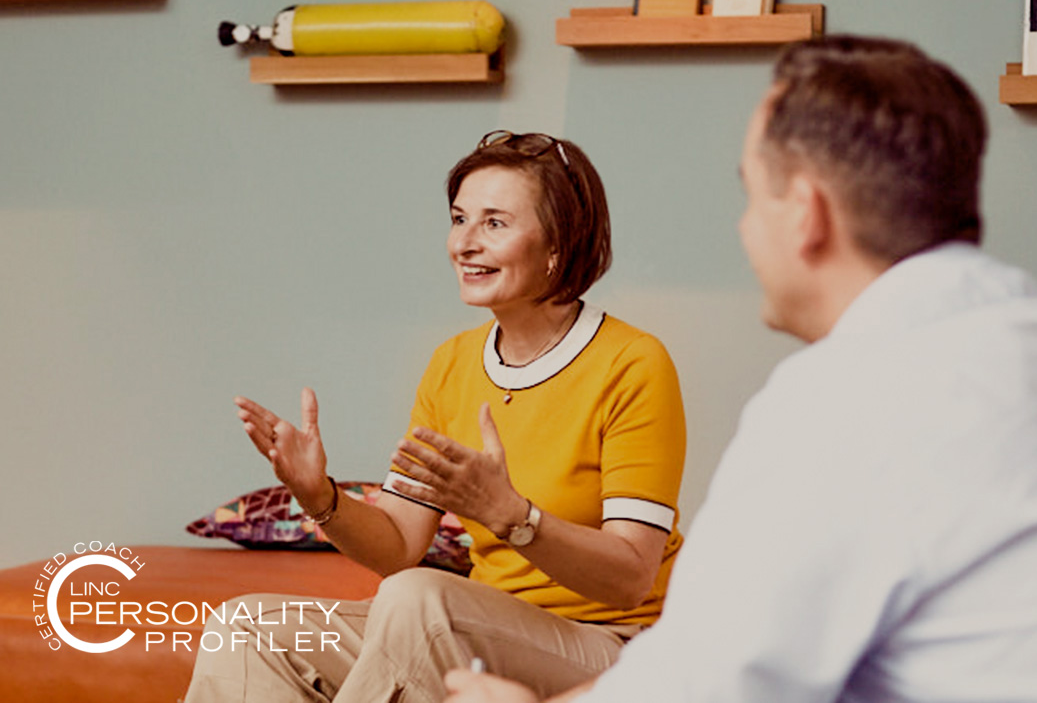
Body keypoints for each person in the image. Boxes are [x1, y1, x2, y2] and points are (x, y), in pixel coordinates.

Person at [444, 37, 1037, 703]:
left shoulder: (850, 397)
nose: (744, 230)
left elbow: (708, 686)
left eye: (752, 194)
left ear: (807, 213)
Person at [184, 131, 687, 702]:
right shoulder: (452, 364)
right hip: (482, 627)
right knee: (246, 628)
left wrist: (513, 517)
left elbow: (631, 577)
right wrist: (320, 495)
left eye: (494, 223)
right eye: (459, 219)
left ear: (559, 243)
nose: (464, 243)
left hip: (611, 647)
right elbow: (400, 543)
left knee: (418, 600)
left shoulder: (632, 363)